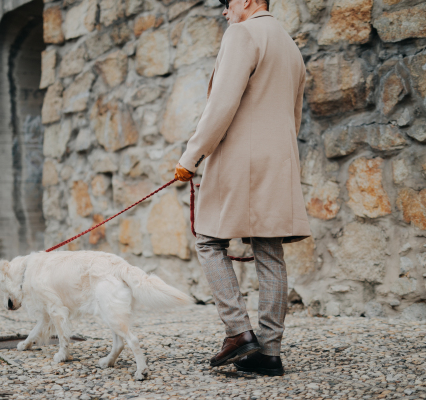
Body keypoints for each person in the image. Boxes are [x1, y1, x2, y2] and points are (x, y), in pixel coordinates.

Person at [173, 0, 310, 376]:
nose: (224, 11)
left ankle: (238, 332)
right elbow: (294, 114)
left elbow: (222, 104)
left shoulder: (243, 32)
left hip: (240, 159)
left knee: (209, 240)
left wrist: (190, 156)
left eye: (228, 3)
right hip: (279, 158)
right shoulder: (289, 43)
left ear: (249, 1)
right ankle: (269, 353)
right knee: (269, 250)